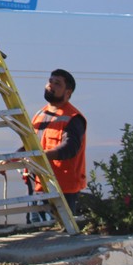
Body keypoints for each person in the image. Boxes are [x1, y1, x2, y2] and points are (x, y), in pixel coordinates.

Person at [31, 68, 87, 213]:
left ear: (68, 93)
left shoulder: (73, 117)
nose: (51, 85)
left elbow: (70, 147)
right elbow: (30, 143)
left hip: (63, 190)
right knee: (37, 232)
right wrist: (12, 159)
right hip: (39, 186)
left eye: (57, 83)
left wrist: (42, 156)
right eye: (50, 81)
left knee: (60, 232)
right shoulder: (40, 114)